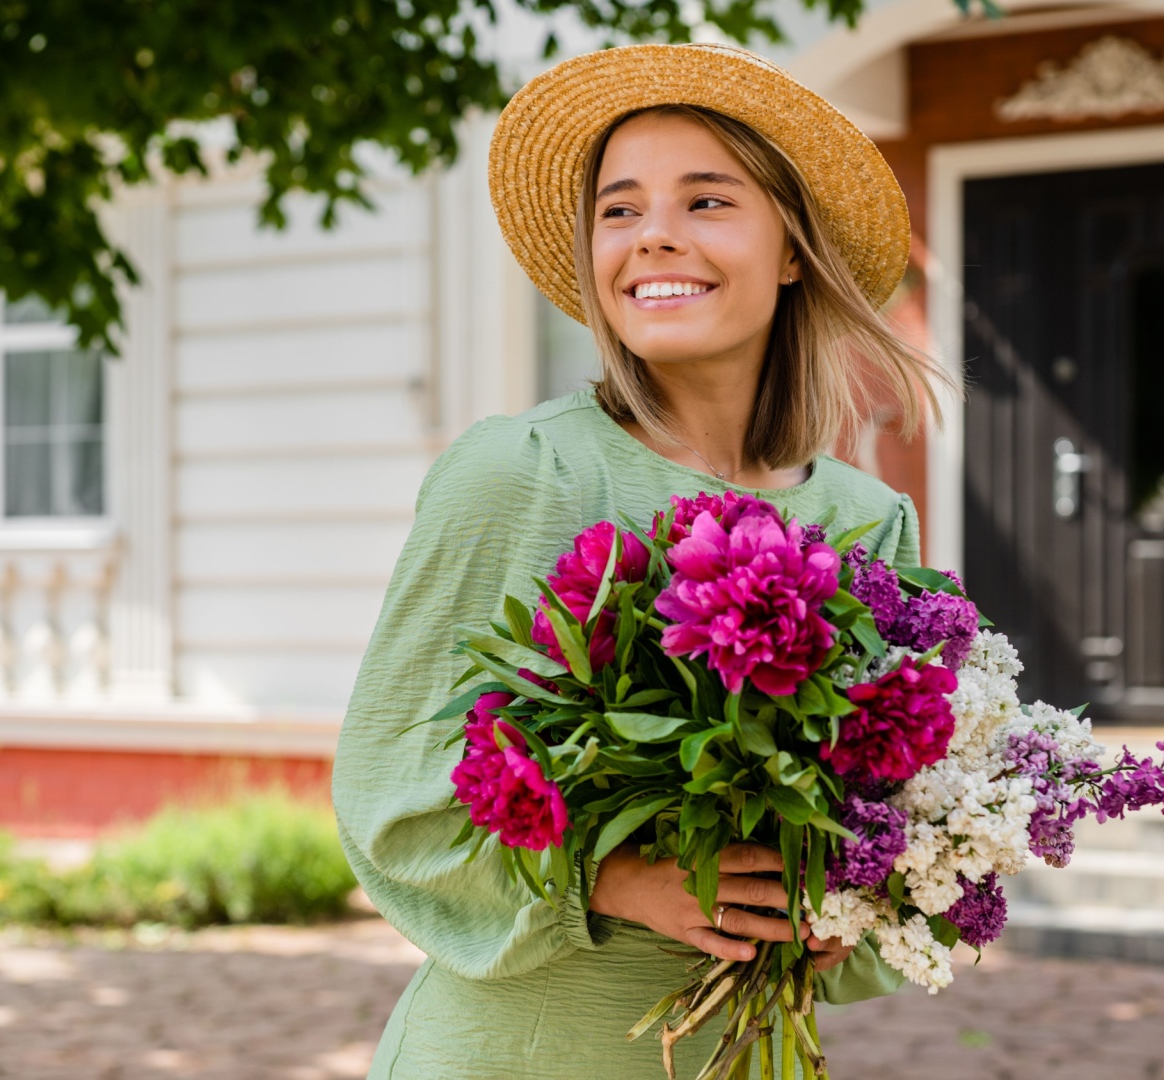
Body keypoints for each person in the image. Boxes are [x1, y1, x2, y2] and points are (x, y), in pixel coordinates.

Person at [332, 43, 949, 1079]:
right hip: (515, 1055)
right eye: (618, 211)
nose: (653, 235)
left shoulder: (868, 522)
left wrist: (854, 898)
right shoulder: (522, 472)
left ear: (793, 250)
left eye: (707, 201)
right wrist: (611, 878)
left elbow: (897, 819)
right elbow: (391, 788)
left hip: (748, 1056)